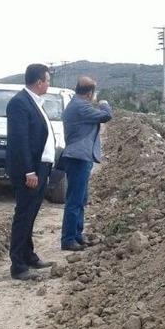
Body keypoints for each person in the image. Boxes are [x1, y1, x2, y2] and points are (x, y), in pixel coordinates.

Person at [5, 63, 57, 280]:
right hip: (31, 170)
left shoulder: (34, 102)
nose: (48, 84)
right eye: (47, 80)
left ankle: (28, 255)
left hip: (41, 167)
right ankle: (18, 265)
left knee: (31, 214)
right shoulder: (19, 103)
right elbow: (20, 141)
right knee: (24, 215)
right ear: (39, 82)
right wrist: (29, 171)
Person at [58, 76, 113, 251]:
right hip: (78, 158)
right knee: (75, 200)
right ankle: (68, 239)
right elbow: (106, 116)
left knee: (81, 198)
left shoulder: (77, 104)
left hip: (81, 157)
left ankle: (76, 235)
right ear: (90, 93)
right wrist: (104, 103)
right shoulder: (80, 106)